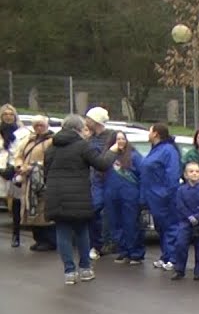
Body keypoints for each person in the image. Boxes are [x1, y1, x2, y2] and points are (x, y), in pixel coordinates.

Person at [42, 115, 121, 284]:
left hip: (56, 195)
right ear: (78, 129)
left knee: (62, 232)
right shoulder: (83, 146)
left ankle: (69, 272)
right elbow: (101, 164)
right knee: (81, 231)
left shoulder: (51, 148)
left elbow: (46, 172)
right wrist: (114, 150)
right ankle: (85, 268)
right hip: (79, 195)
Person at [141, 123, 182, 271]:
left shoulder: (168, 150)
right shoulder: (156, 149)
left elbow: (173, 174)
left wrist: (166, 193)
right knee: (161, 228)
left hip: (163, 197)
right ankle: (166, 255)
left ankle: (173, 257)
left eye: (150, 131)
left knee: (170, 226)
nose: (148, 134)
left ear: (156, 134)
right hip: (154, 196)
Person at [13, 114, 57, 251]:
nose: (38, 128)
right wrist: (20, 166)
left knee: (42, 209)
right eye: (36, 125)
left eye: (41, 125)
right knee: (30, 209)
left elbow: (52, 159)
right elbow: (19, 155)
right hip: (28, 180)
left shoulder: (52, 141)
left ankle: (49, 240)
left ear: (46, 125)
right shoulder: (29, 140)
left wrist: (34, 166)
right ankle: (38, 238)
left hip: (42, 180)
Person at [105, 132, 146, 265]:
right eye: (118, 139)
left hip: (130, 196)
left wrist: (141, 196)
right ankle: (124, 251)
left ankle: (136, 253)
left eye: (123, 139)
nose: (121, 141)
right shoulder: (108, 157)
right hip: (112, 195)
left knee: (131, 224)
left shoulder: (134, 156)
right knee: (115, 224)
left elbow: (143, 176)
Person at [83, 107, 116, 258]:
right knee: (92, 213)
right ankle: (95, 244)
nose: (85, 121)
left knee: (98, 210)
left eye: (88, 119)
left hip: (105, 180)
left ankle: (104, 243)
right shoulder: (90, 138)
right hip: (92, 180)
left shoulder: (111, 137)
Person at [170, 161, 199, 280]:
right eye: (191, 171)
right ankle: (179, 269)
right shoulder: (181, 190)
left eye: (197, 171)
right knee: (181, 244)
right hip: (185, 222)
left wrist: (198, 217)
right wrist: (189, 217)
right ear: (185, 174)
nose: (194, 174)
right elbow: (180, 205)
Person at [0, 105, 19, 247]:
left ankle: (16, 235)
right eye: (5, 114)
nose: (8, 116)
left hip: (14, 171)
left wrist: (14, 167)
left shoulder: (21, 132)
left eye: (10, 114)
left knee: (15, 205)